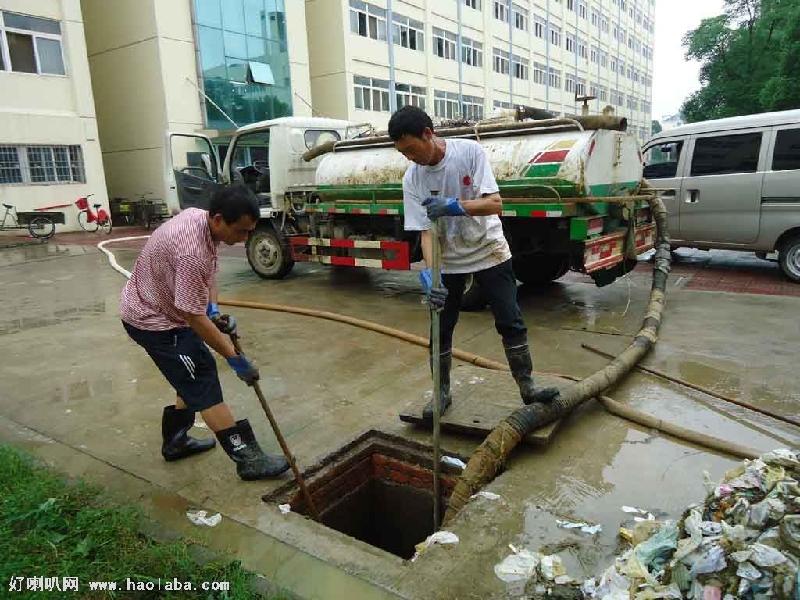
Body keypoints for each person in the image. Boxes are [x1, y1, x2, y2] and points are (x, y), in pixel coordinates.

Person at [388, 106, 560, 419]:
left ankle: (527, 386)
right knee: (440, 329)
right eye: (403, 153)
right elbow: (426, 233)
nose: (409, 158)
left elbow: (495, 203)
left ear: (428, 134)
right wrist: (431, 276)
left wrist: (455, 206)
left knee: (510, 320)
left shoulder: (469, 152)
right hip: (449, 259)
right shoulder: (412, 179)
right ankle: (441, 393)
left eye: (411, 149)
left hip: (489, 250)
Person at [120, 184, 289, 480]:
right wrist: (234, 358)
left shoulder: (199, 219)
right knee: (202, 379)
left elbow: (208, 272)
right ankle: (247, 459)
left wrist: (214, 309)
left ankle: (176, 442)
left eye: (250, 231)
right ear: (219, 219)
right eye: (241, 231)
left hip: (168, 309)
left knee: (191, 372)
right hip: (154, 321)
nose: (244, 239)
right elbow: (191, 315)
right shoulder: (190, 251)